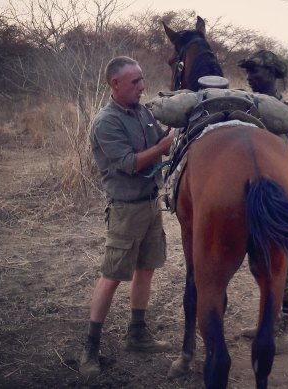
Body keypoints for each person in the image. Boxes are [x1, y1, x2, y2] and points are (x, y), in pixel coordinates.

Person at [79, 56, 175, 378]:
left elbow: (164, 137)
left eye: (142, 80)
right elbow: (129, 163)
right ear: (114, 84)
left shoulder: (143, 111)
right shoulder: (106, 122)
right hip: (125, 210)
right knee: (112, 275)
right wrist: (162, 147)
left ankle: (137, 334)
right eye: (134, 82)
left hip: (150, 205)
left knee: (145, 270)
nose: (141, 87)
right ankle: (90, 347)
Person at [238, 49, 288, 354]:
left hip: (279, 194)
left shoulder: (281, 110)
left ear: (274, 73)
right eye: (248, 72)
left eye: (257, 72)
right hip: (254, 194)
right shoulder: (245, 106)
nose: (250, 77)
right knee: (258, 260)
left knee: (285, 260)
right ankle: (269, 319)